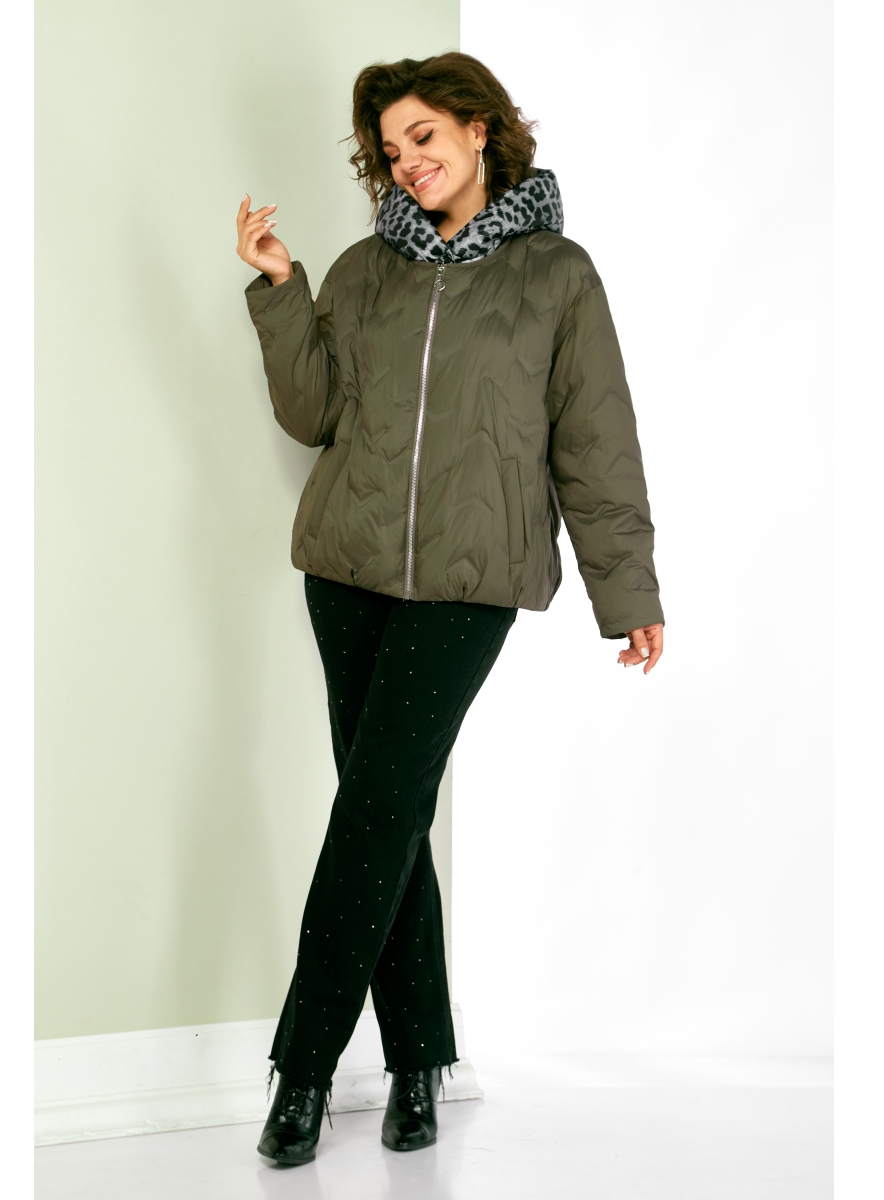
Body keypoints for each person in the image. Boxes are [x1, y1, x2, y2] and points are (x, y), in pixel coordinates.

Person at [236, 51, 664, 1168]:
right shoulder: (364, 268)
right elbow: (314, 415)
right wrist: (280, 291)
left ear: (480, 128)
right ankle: (420, 1059)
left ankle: (304, 1068)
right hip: (347, 567)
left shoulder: (558, 275)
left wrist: (626, 590)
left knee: (377, 808)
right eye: (391, 151)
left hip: (471, 580)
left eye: (424, 137)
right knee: (390, 816)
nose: (408, 163)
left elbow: (596, 440)